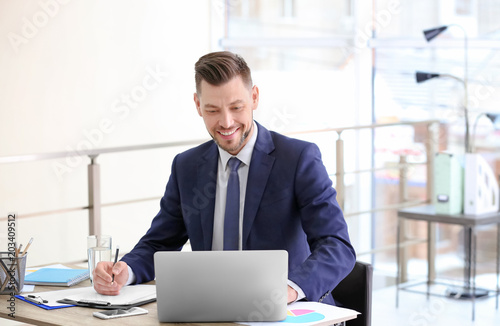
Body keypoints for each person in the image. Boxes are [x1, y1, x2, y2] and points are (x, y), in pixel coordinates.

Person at [93, 51, 356, 305]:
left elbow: (336, 246)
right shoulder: (187, 166)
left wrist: (288, 289)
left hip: (288, 310)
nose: (226, 122)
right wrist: (125, 271)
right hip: (213, 309)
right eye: (212, 110)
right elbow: (159, 243)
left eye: (236, 107)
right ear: (197, 105)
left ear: (254, 97)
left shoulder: (298, 158)